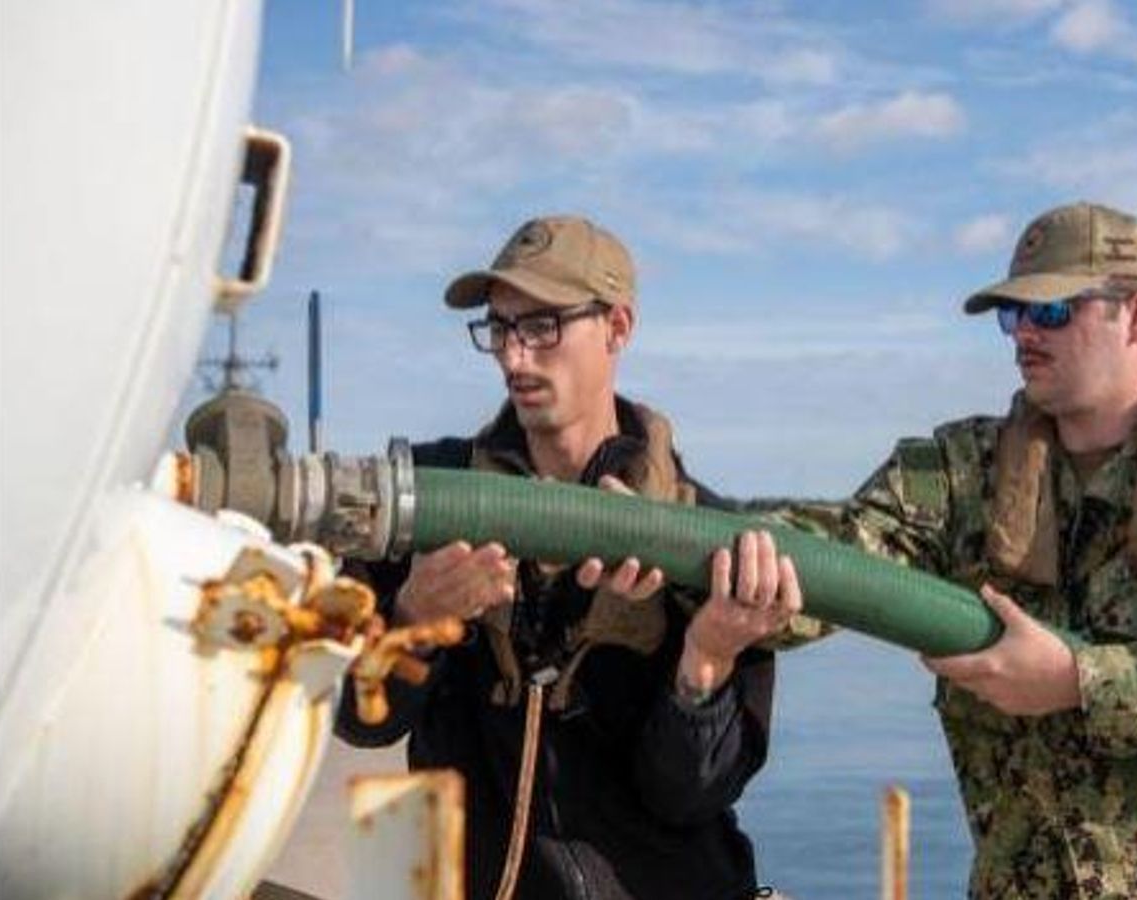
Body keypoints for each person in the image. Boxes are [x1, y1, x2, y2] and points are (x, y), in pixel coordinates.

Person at [788, 201, 1137, 897]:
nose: (1024, 334)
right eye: (1013, 315)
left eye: (1052, 312)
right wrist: (716, 571)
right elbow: (836, 557)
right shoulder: (961, 471)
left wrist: (1081, 682)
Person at [335, 214, 800, 900]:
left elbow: (689, 796)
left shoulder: (706, 539)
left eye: (543, 326)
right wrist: (413, 622)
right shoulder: (429, 497)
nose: (514, 358)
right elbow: (361, 721)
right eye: (499, 328)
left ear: (618, 328)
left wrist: (704, 663)